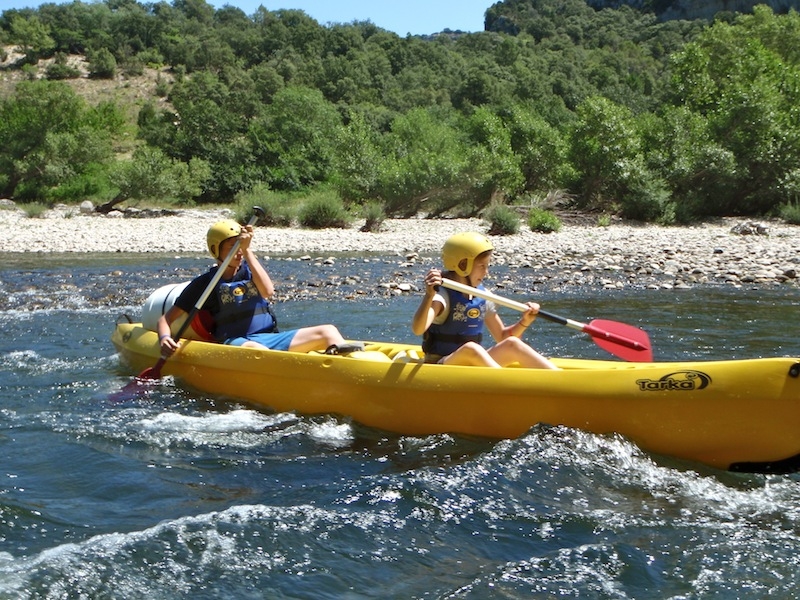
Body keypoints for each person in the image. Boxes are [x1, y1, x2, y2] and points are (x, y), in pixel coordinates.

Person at [157, 219, 360, 356]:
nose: (237, 253)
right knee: (257, 349)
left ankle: (344, 364)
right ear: (215, 250)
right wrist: (165, 337)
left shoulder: (249, 269)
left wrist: (248, 252)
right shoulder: (204, 284)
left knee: (328, 331)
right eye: (232, 248)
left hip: (270, 338)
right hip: (236, 342)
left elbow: (267, 291)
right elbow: (166, 319)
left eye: (240, 246)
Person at [411, 232, 558, 369]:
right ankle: (507, 386)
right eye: (482, 266)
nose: (486, 273)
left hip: (470, 362)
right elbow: (418, 329)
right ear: (463, 265)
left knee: (513, 343)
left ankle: (559, 379)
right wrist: (429, 296)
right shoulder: (442, 295)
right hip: (441, 365)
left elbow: (502, 337)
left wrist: (524, 321)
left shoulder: (481, 295)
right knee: (471, 348)